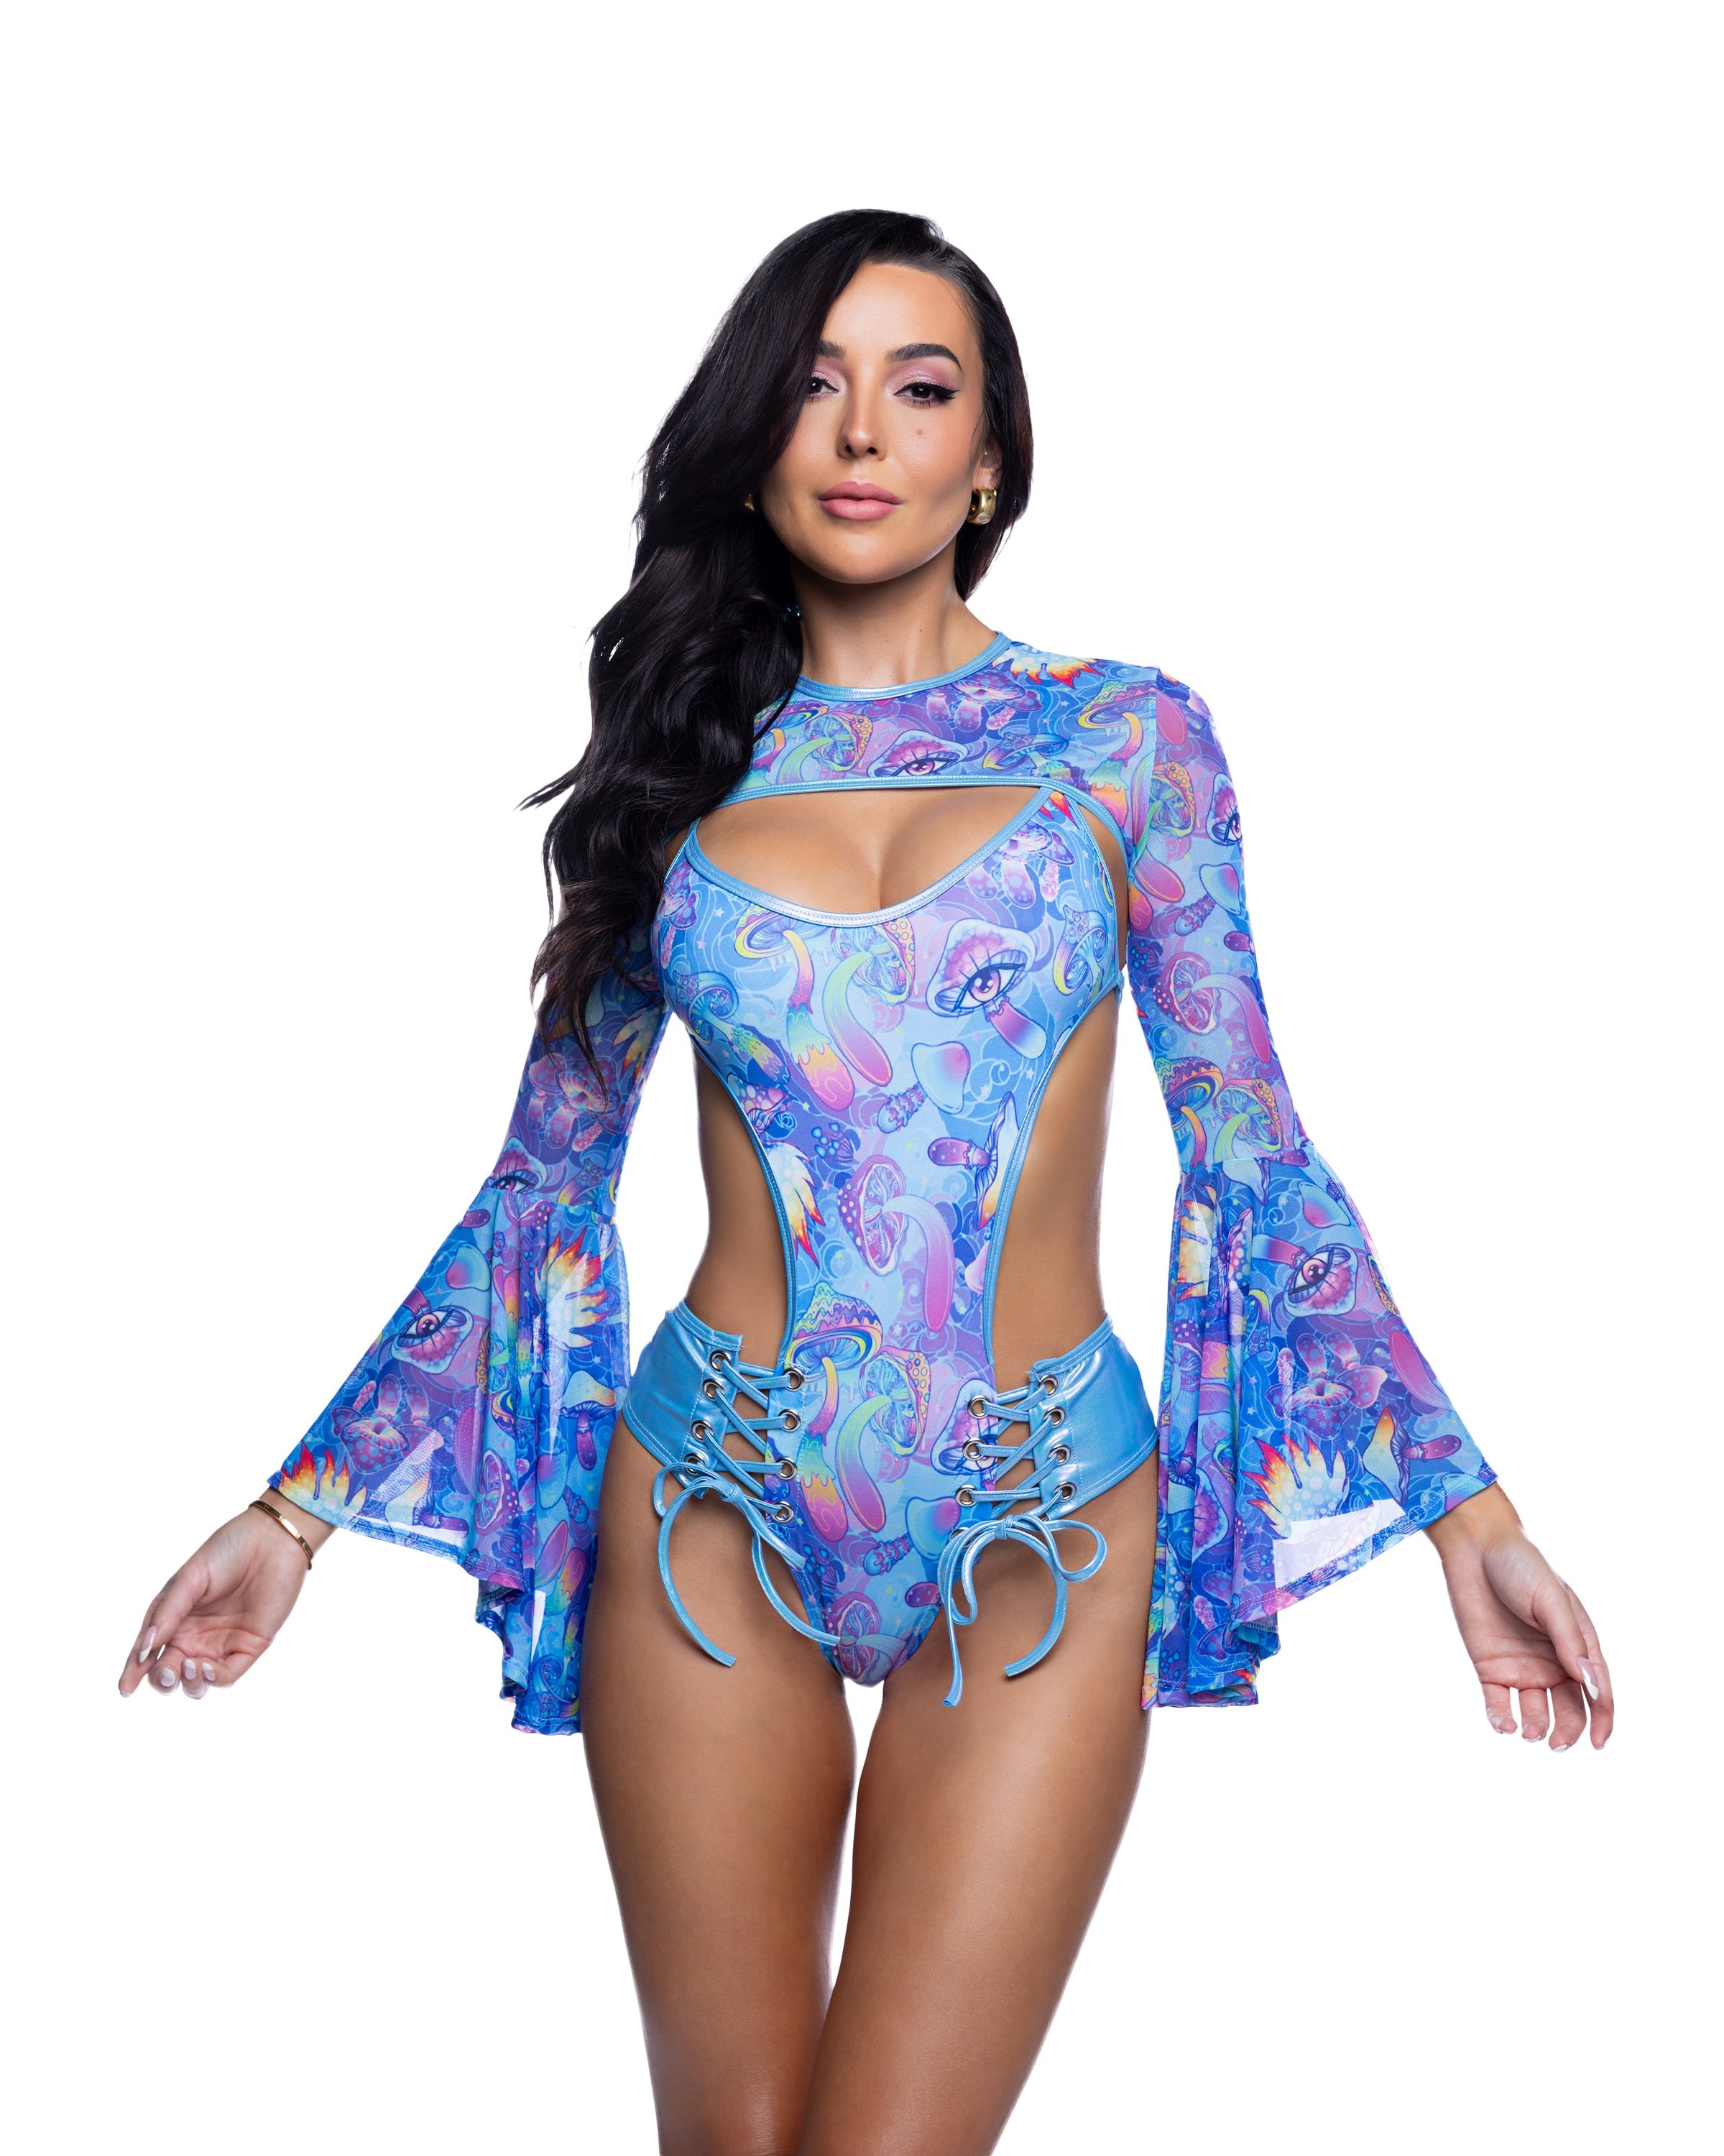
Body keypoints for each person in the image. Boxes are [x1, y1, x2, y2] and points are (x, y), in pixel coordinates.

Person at [118, 209, 1614, 2156]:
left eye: (920, 388)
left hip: (1044, 1509)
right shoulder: (678, 763)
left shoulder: (1129, 742)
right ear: (754, 436)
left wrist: (1469, 1519)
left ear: (991, 455)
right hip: (708, 1504)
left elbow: (1253, 1153)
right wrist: (294, 1517)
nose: (859, 432)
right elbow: (541, 1197)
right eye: (813, 384)